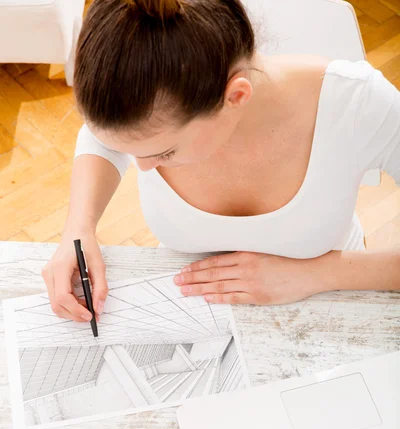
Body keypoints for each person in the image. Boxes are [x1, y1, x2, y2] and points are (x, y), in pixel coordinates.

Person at [42, 0, 400, 322]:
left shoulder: (360, 104)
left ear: (236, 96)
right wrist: (79, 227)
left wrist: (316, 274)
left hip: (335, 309)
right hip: (196, 314)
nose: (145, 167)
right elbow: (103, 138)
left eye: (165, 153)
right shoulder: (148, 114)